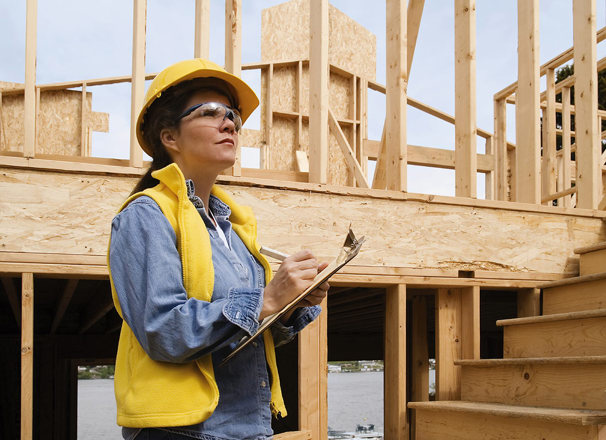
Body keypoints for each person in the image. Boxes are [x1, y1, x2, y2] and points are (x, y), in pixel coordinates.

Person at [108, 58, 329, 440]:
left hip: (246, 426)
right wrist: (266, 299)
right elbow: (164, 331)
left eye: (233, 116)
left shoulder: (235, 229)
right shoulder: (146, 215)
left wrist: (291, 304)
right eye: (210, 112)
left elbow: (243, 336)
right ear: (169, 137)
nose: (230, 123)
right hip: (182, 433)